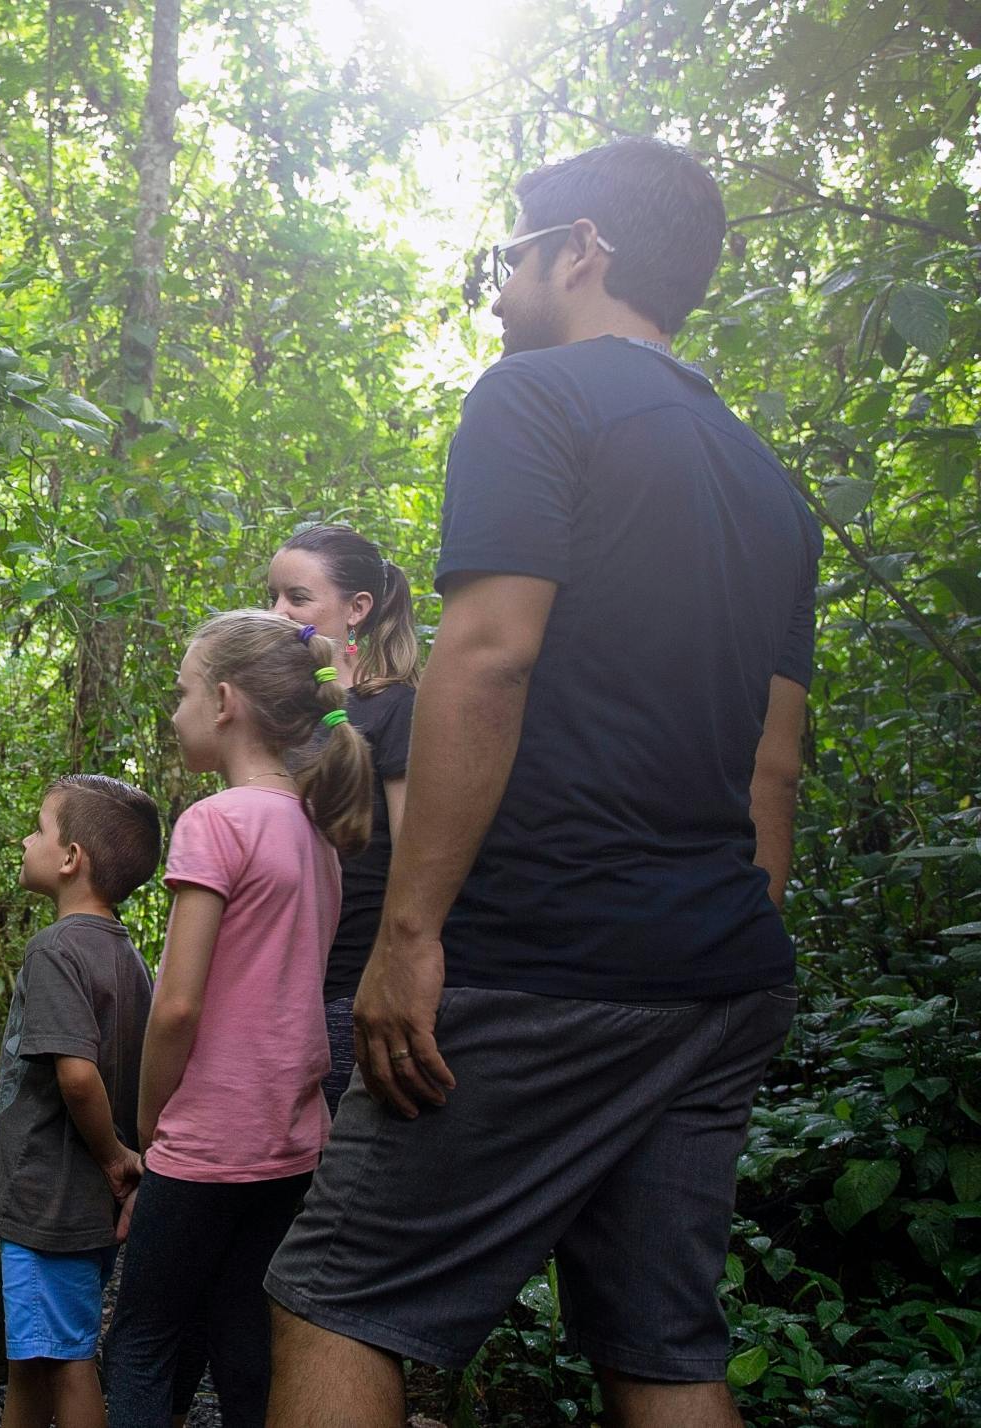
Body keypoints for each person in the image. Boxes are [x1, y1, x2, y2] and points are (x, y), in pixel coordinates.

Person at [265, 139, 821, 1428]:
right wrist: (709, 938)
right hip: (718, 972)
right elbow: (772, 766)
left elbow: (491, 655)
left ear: (580, 250)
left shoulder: (533, 398)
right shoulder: (767, 487)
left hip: (547, 957)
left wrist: (407, 937)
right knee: (663, 1349)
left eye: (508, 253)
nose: (498, 284)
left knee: (334, 1295)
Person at [103, 611, 373, 1428]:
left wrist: (150, 1125)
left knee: (142, 1340)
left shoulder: (215, 822)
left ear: (224, 702)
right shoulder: (315, 829)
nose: (175, 710)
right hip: (291, 1137)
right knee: (241, 1334)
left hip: (207, 1138)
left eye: (183, 692)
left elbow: (179, 1004)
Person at [0, 775, 162, 1428]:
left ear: (70, 859)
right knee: (34, 1358)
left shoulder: (55, 951)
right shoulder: (129, 960)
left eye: (38, 828)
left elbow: (78, 1077)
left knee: (67, 1361)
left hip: (48, 1204)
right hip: (80, 1208)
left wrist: (115, 1157)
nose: (26, 839)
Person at [267, 524, 420, 1113]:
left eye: (298, 598)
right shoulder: (277, 712)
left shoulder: (393, 709)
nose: (279, 612)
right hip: (275, 978)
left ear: (358, 608)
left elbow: (411, 853)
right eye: (273, 597)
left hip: (347, 981)